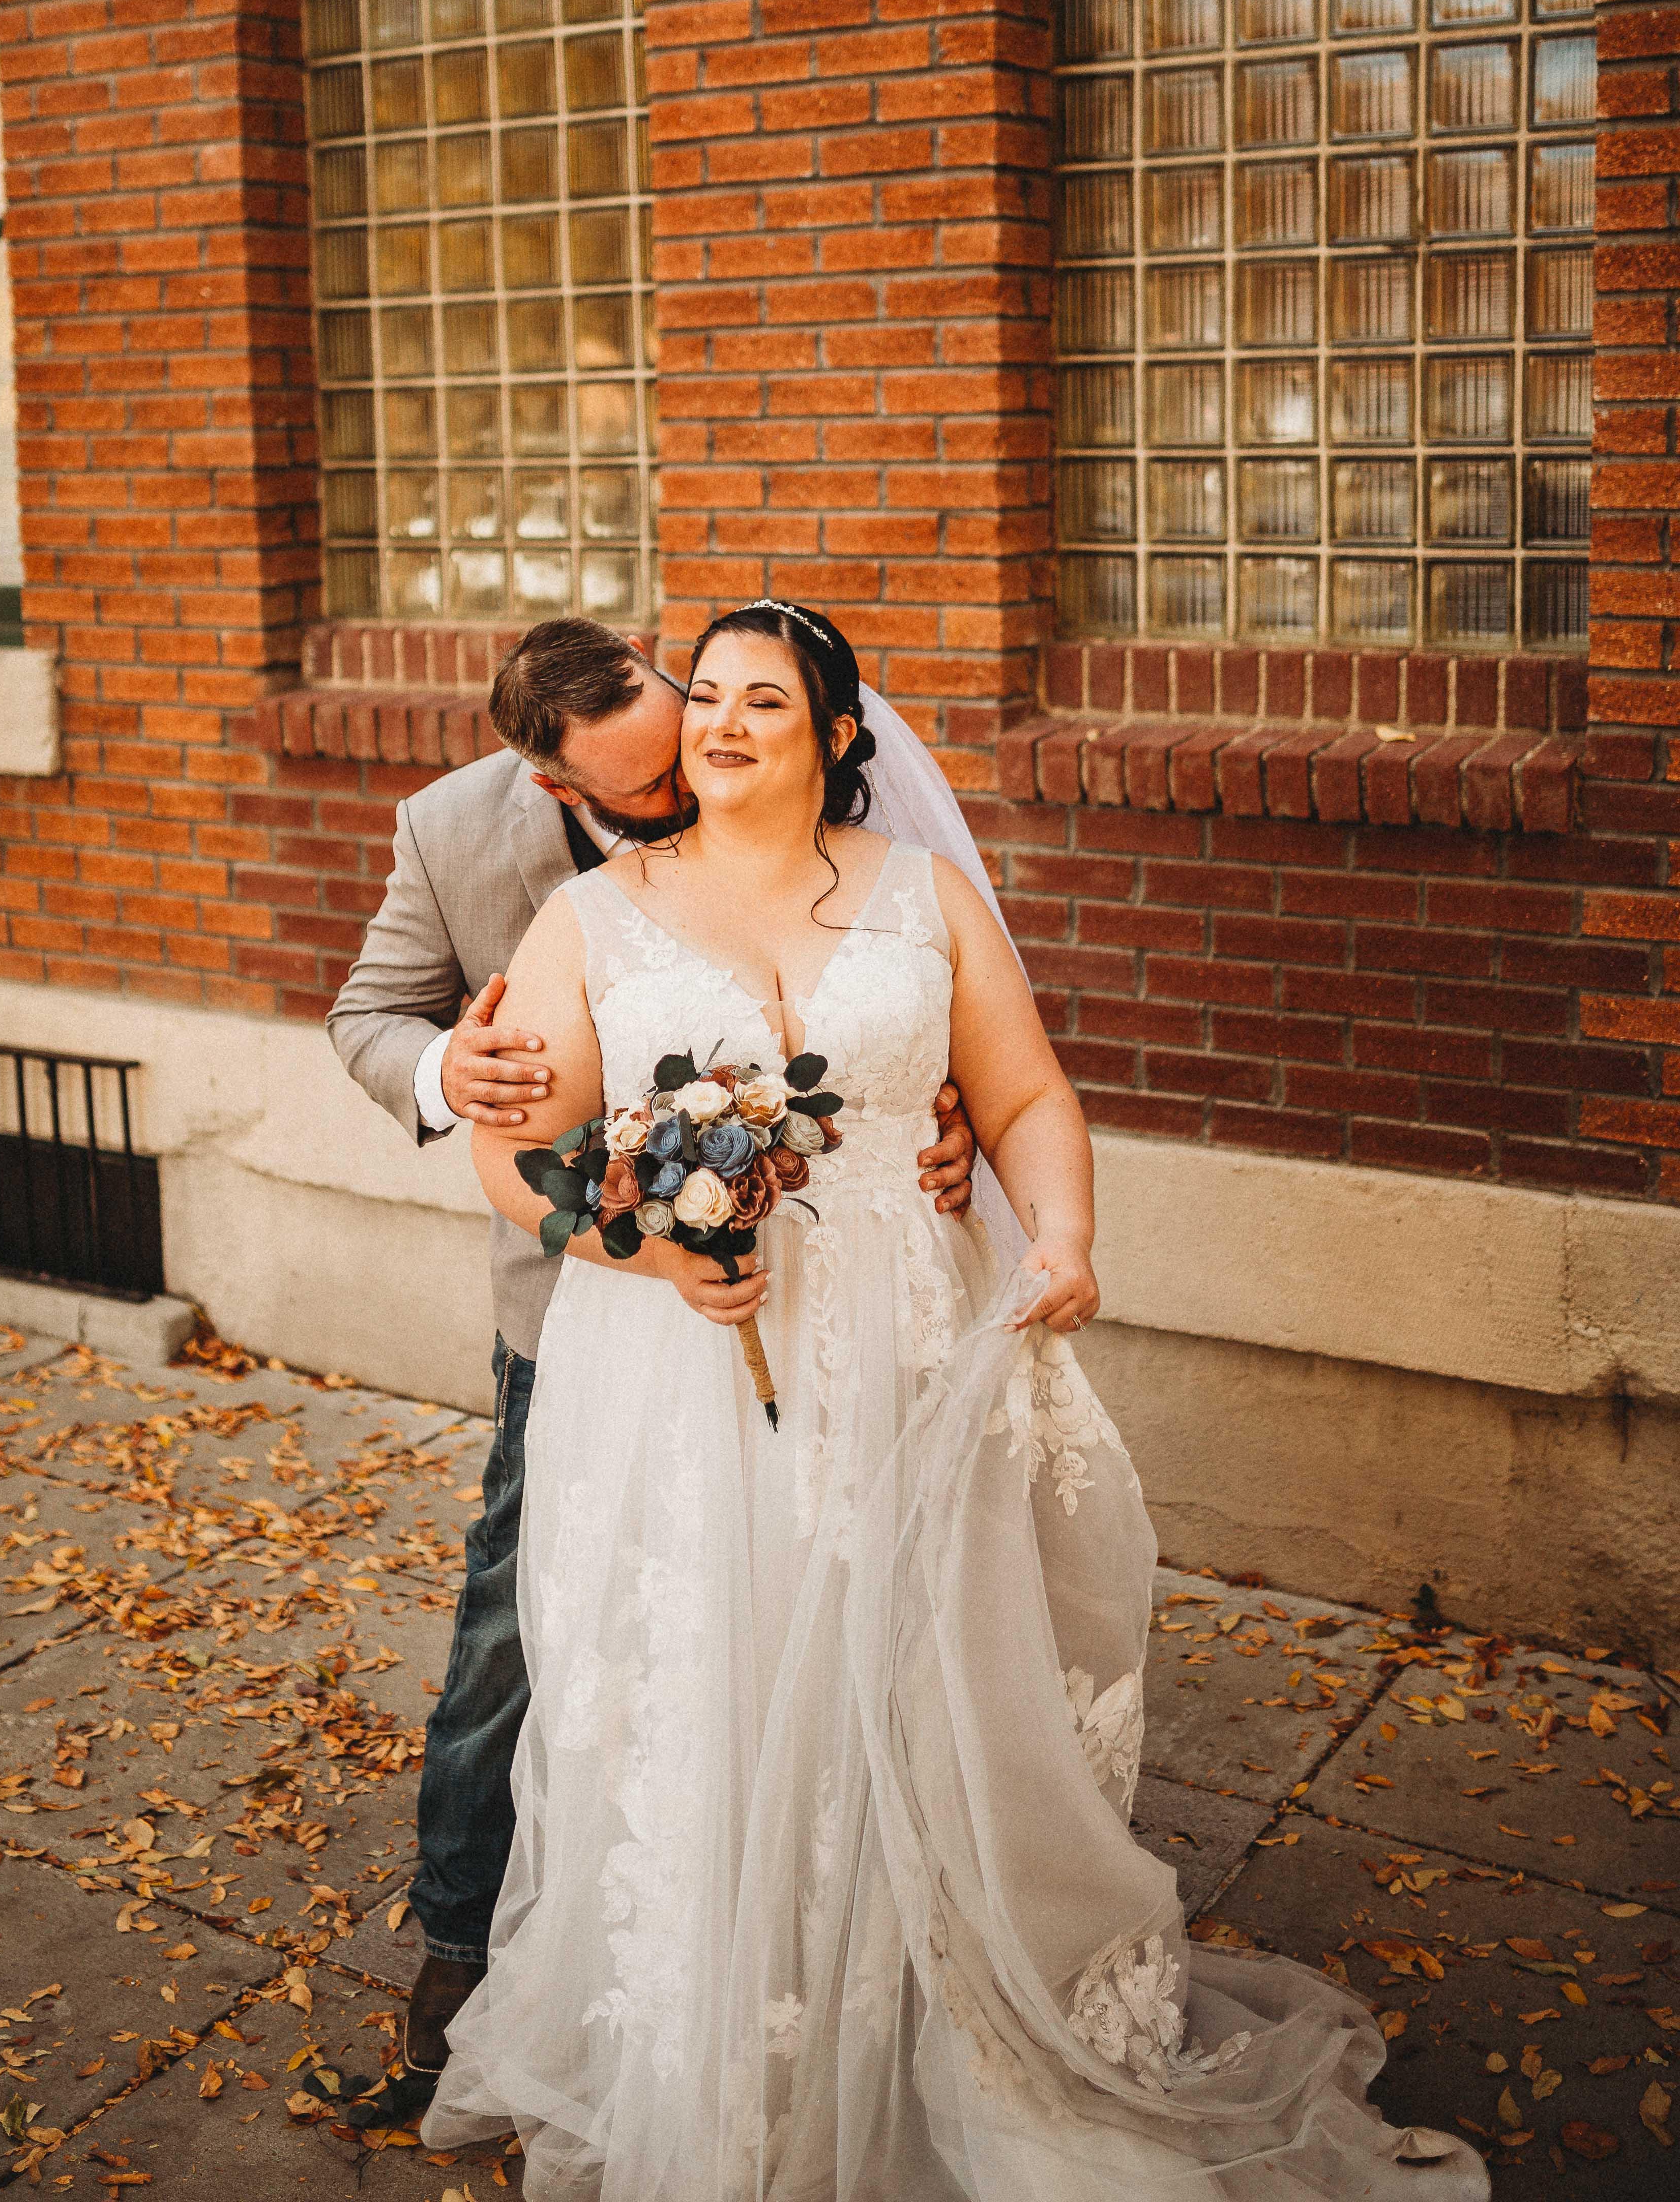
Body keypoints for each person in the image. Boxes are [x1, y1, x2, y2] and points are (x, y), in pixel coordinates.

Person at [423, 601, 1486, 2200]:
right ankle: (727, 2042)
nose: (721, 722)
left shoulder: (925, 898)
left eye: (763, 701)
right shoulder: (594, 918)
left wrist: (1062, 1237)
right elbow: (525, 1153)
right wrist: (642, 1245)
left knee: (915, 1668)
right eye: (707, 694)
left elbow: (1026, 1093)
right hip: (676, 1373)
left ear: (840, 737)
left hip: (904, 1348)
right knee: (709, 1679)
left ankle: (936, 2011)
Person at [326, 617, 977, 2115]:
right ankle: (464, 1949)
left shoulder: (763, 731)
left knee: (836, 1599)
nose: (690, 786)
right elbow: (367, 1016)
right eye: (642, 793)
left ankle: (839, 1919)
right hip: (594, 1306)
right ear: (556, 785)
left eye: (682, 740)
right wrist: (444, 1072)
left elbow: (896, 984)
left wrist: (939, 1114)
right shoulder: (453, 832)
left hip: (843, 1303)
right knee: (523, 1626)